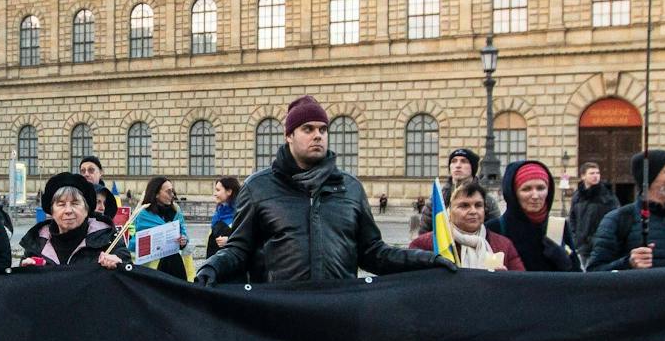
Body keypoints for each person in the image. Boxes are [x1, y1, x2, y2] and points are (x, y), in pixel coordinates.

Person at [195, 95, 453, 285]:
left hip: (338, 314)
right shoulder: (258, 187)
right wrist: (211, 268)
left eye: (323, 129)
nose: (318, 135)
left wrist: (425, 260)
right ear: (289, 136)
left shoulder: (351, 188)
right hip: (276, 317)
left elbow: (373, 253)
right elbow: (239, 250)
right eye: (308, 129)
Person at [16, 173, 124, 269]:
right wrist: (25, 270)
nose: (68, 211)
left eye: (75, 203)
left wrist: (119, 265)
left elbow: (128, 274)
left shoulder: (108, 239)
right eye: (61, 204)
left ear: (87, 210)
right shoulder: (36, 242)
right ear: (52, 212)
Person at [410, 179, 521, 270]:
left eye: (478, 205)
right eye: (464, 206)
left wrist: (506, 278)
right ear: (449, 211)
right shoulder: (424, 245)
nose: (473, 211)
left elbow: (521, 285)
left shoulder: (503, 245)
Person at [493, 160, 577, 272]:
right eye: (526, 189)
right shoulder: (496, 228)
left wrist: (565, 262)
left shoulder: (558, 226)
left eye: (541, 188)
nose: (535, 196)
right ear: (513, 193)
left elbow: (579, 277)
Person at [129, 176, 190, 279]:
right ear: (156, 194)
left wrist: (183, 240)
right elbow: (132, 243)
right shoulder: (142, 213)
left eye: (173, 191)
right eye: (168, 192)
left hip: (174, 264)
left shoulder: (176, 210)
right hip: (152, 267)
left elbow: (183, 232)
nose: (172, 195)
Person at [568, 162, 619, 267]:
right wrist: (575, 236)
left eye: (597, 173)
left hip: (600, 243)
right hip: (582, 244)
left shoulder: (607, 195)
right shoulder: (577, 196)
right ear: (583, 176)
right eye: (592, 173)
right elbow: (572, 218)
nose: (596, 176)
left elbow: (615, 216)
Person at [442, 148, 500, 220]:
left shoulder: (487, 199)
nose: (457, 165)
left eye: (464, 161)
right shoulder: (440, 197)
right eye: (454, 161)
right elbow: (425, 228)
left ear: (473, 168)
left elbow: (494, 228)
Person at [78, 156, 121, 225]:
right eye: (83, 171)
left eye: (91, 170)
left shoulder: (108, 197)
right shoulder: (74, 195)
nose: (86, 174)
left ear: (101, 172)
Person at [208, 176, 241, 257]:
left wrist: (229, 240)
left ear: (229, 191)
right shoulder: (218, 212)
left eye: (218, 190)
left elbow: (249, 237)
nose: (214, 194)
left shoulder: (241, 212)